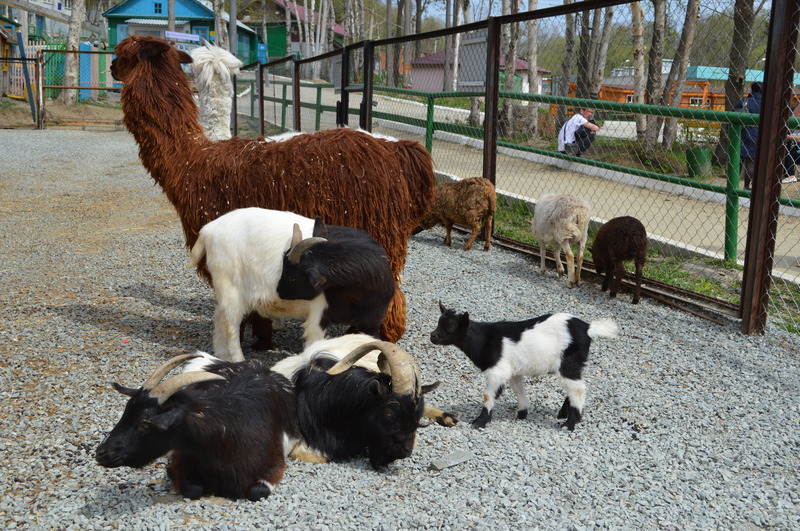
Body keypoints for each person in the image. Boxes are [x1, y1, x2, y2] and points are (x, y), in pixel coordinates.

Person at [733, 81, 762, 190]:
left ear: (752, 90)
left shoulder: (745, 101)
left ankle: (733, 184)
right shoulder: (768, 102)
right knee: (751, 162)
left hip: (743, 132)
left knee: (737, 160)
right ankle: (746, 186)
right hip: (758, 135)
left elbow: (733, 113)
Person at [781, 104, 800, 184]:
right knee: (785, 146)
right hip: (795, 146)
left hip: (797, 148)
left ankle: (791, 175)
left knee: (788, 149)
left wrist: (787, 136)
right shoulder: (793, 123)